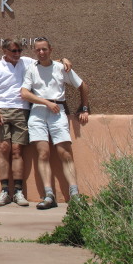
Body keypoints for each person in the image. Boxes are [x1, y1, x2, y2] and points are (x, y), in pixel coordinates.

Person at [0, 38, 71, 207]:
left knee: (17, 150)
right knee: (4, 148)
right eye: (13, 51)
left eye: (19, 51)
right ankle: (4, 191)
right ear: (5, 52)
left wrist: (63, 60)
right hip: (2, 110)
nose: (17, 54)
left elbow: (45, 59)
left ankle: (18, 191)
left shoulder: (26, 62)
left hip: (23, 110)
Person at [20, 37, 90, 210]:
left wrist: (84, 107)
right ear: (35, 51)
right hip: (38, 112)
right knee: (42, 153)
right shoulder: (31, 69)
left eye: (44, 49)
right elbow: (24, 93)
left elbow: (82, 86)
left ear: (50, 49)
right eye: (38, 50)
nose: (41, 52)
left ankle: (75, 195)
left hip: (58, 112)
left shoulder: (61, 68)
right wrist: (45, 103)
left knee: (64, 153)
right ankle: (49, 195)